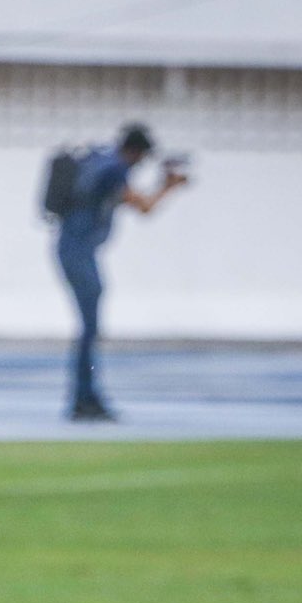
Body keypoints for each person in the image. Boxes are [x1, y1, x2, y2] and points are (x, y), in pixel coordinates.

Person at [52, 123, 185, 422]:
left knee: (89, 328)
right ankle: (84, 398)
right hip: (78, 252)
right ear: (136, 151)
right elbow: (144, 207)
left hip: (76, 250)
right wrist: (169, 186)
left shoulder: (101, 163)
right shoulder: (114, 169)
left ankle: (86, 396)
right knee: (89, 329)